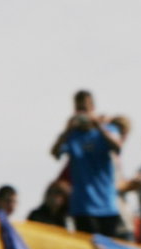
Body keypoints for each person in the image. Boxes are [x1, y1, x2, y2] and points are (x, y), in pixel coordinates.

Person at [50, 90, 126, 237]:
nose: (81, 113)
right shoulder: (73, 135)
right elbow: (55, 153)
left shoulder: (107, 130)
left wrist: (99, 125)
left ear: (92, 108)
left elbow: (117, 147)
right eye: (78, 109)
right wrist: (67, 130)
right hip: (82, 207)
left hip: (107, 205)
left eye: (84, 109)